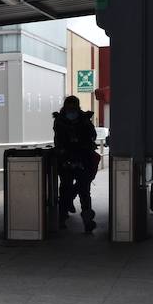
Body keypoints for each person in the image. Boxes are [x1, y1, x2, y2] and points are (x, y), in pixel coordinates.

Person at [52, 96, 99, 233]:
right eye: (69, 108)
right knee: (68, 188)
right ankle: (62, 217)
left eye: (74, 108)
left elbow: (92, 136)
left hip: (82, 159)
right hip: (67, 160)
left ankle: (87, 220)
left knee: (83, 190)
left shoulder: (84, 120)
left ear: (78, 108)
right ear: (65, 107)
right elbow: (58, 140)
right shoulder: (59, 121)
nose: (71, 111)